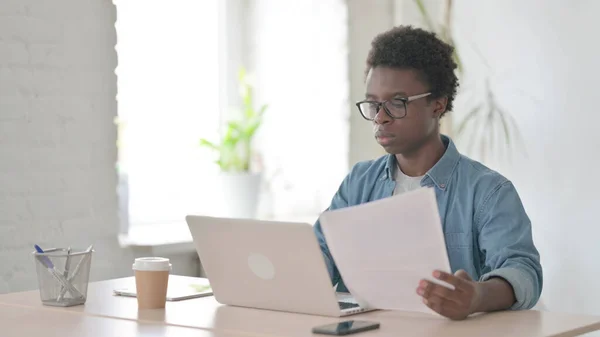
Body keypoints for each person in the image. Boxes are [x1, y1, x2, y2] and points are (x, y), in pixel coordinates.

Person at [313, 25, 542, 320]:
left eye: (397, 103)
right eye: (373, 103)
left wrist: (476, 296)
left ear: (437, 104)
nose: (380, 117)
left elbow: (523, 272)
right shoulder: (359, 182)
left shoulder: (488, 192)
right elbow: (319, 251)